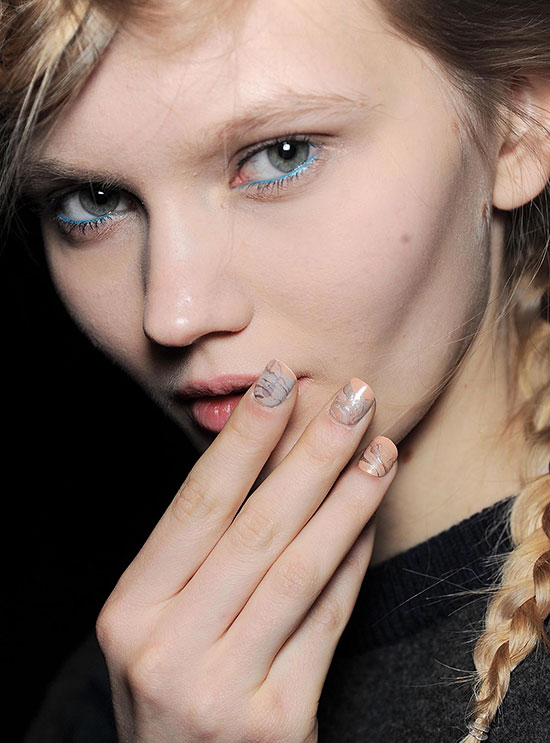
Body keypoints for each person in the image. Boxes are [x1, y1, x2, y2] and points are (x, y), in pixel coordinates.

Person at [1, 0, 549, 740]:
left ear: (519, 129)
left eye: (280, 155)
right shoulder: (135, 684)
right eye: (91, 200)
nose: (174, 313)